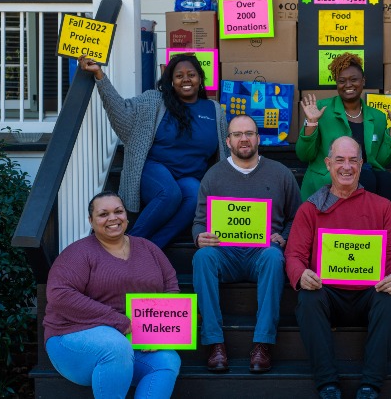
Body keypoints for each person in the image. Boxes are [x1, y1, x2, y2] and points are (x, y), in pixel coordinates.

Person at [285, 136, 391, 399]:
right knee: (307, 298)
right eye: (339, 160)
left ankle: (371, 385)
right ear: (328, 164)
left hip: (368, 293)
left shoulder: (382, 206)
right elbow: (294, 255)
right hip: (327, 293)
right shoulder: (310, 209)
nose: (346, 166)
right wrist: (300, 274)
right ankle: (327, 382)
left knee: (389, 300)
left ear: (362, 165)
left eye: (353, 160)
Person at [78, 53, 228, 248]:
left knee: (195, 194)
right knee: (170, 193)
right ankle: (128, 244)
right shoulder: (155, 101)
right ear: (171, 81)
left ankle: (152, 248)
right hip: (154, 168)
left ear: (200, 79)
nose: (186, 79)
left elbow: (225, 149)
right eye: (179, 75)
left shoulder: (214, 110)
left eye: (191, 74)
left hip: (190, 175)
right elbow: (121, 112)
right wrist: (100, 76)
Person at [43, 191, 181, 398]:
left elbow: (170, 286)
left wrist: (159, 333)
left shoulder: (148, 248)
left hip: (132, 338)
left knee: (168, 360)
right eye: (103, 214)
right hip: (72, 336)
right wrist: (120, 322)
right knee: (116, 347)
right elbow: (59, 294)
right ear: (91, 220)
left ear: (126, 215)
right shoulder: (78, 253)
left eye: (118, 211)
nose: (113, 218)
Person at [192, 114, 301, 373]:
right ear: (228, 141)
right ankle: (214, 342)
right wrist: (199, 237)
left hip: (262, 253)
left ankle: (262, 344)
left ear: (258, 138)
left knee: (275, 258)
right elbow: (198, 221)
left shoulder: (280, 173)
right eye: (237, 134)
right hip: (225, 254)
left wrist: (284, 236)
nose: (244, 139)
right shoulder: (214, 175)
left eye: (249, 133)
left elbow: (297, 217)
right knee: (201, 258)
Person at [296, 52, 391, 205]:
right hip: (330, 177)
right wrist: (312, 122)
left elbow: (380, 161)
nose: (348, 85)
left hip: (365, 176)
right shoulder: (321, 109)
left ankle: (385, 228)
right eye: (342, 81)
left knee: (386, 179)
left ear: (363, 81)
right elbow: (304, 155)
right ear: (336, 83)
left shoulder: (378, 117)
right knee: (366, 177)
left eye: (353, 79)